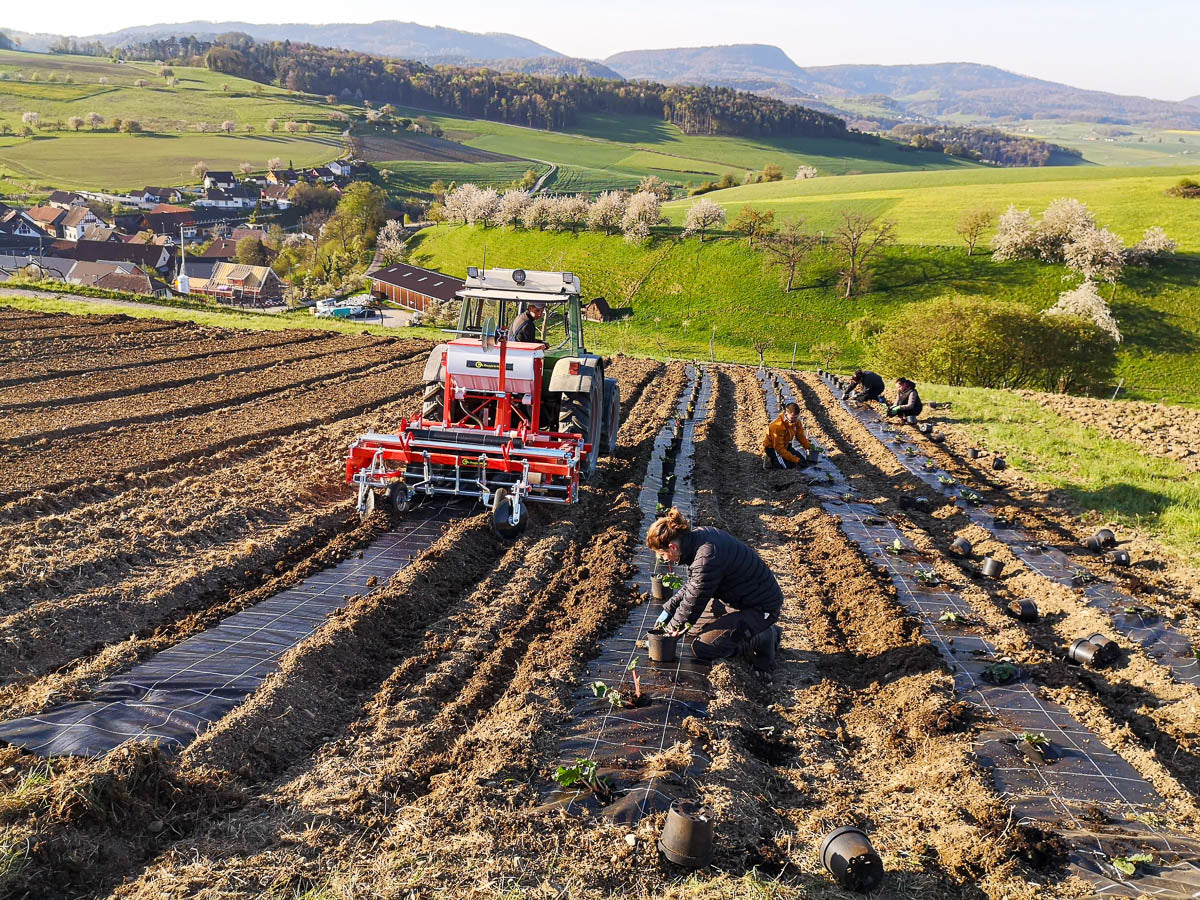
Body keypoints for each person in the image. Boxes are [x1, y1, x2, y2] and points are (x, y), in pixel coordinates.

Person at [648, 508, 783, 677]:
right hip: (739, 599)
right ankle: (742, 625)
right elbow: (693, 584)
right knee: (692, 630)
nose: (664, 559)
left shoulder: (706, 556)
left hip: (762, 608)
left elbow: (693, 602)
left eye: (662, 554)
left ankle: (765, 636)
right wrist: (669, 608)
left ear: (672, 547)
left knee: (704, 647)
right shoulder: (697, 539)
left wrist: (668, 633)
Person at [762, 401, 811, 470]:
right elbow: (779, 449)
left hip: (786, 445)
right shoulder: (777, 427)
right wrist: (795, 459)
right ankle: (769, 460)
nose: (795, 420)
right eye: (792, 418)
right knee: (786, 468)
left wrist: (809, 447)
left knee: (803, 462)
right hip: (773, 448)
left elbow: (800, 436)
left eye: (796, 417)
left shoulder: (797, 422)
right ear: (786, 414)